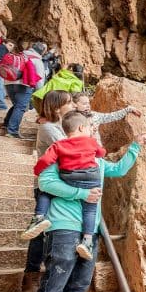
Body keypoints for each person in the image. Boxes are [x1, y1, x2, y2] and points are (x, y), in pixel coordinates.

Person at [23, 131, 146, 292]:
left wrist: (136, 146)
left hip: (88, 234)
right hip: (63, 229)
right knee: (52, 291)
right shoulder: (60, 157)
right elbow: (45, 182)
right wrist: (82, 194)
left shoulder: (98, 162)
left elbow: (119, 169)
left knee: (76, 290)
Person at [29, 111, 106, 260]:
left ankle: (39, 217)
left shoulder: (58, 144)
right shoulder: (90, 142)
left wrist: (37, 171)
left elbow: (45, 161)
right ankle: (87, 240)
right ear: (82, 128)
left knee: (46, 192)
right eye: (90, 127)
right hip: (91, 179)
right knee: (90, 208)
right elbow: (101, 153)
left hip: (69, 177)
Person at [21, 90, 75, 292]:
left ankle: (50, 275)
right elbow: (68, 149)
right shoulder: (48, 128)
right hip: (47, 184)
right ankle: (31, 275)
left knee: (56, 229)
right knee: (41, 231)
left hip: (62, 184)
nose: (71, 105)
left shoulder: (62, 126)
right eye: (68, 102)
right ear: (56, 107)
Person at [0, 43, 42, 138]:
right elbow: (39, 78)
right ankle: (12, 131)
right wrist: (38, 92)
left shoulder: (18, 55)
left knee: (17, 105)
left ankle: (6, 124)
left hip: (9, 82)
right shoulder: (36, 59)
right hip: (24, 84)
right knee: (21, 107)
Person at [72, 92, 142, 144]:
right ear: (74, 105)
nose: (88, 106)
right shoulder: (71, 119)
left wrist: (128, 109)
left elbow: (111, 116)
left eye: (88, 103)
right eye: (84, 104)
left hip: (97, 153)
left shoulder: (94, 115)